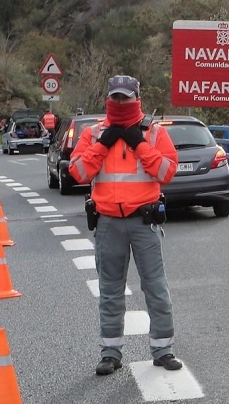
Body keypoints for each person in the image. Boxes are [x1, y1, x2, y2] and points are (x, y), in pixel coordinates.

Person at [68, 75, 182, 376]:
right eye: (116, 97)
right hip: (108, 223)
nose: (120, 102)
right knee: (110, 291)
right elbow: (78, 172)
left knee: (156, 289)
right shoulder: (94, 134)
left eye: (125, 97)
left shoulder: (153, 133)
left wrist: (139, 144)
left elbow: (167, 171)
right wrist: (103, 145)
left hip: (144, 222)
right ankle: (110, 352)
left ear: (136, 98)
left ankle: (163, 349)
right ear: (108, 98)